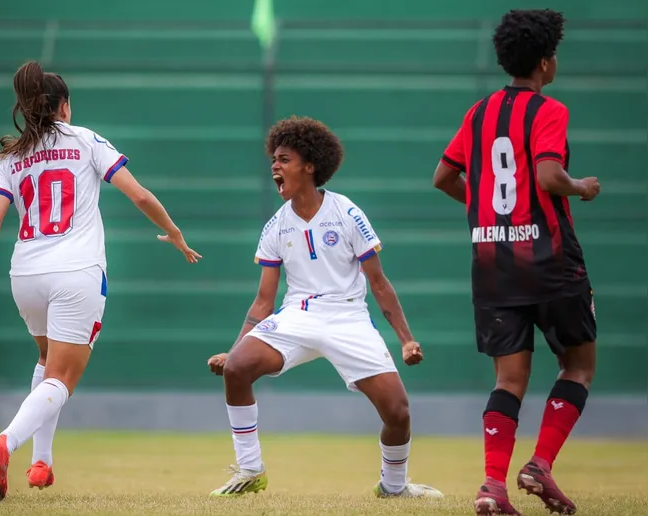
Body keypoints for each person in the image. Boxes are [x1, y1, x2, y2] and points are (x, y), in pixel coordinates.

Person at [0, 60, 201, 501]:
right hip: (76, 271)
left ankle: (40, 463)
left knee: (47, 363)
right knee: (62, 379)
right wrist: (175, 233)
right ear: (63, 106)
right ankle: (5, 442)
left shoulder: (13, 156)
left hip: (25, 274)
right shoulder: (85, 139)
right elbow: (139, 193)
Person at [205, 115, 443, 500]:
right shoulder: (274, 227)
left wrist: (406, 339)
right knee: (237, 368)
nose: (275, 167)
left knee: (398, 411)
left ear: (310, 165)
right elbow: (264, 300)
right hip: (297, 315)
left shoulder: (347, 212)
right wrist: (234, 348)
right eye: (273, 160)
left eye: (284, 159)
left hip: (348, 317)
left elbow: (378, 283)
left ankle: (394, 487)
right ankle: (251, 470)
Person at [433, 9, 600, 516]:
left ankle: (492, 487)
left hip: (492, 263)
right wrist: (581, 187)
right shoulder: (548, 110)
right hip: (549, 260)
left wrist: (486, 211)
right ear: (546, 63)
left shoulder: (479, 112)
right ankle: (541, 464)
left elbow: (443, 176)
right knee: (578, 365)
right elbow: (549, 176)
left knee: (508, 381)